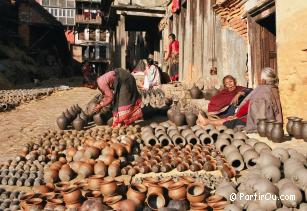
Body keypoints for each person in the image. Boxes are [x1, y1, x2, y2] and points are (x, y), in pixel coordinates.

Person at [197, 67, 283, 132]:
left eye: (231, 81)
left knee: (233, 121)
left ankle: (207, 122)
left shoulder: (261, 90)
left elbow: (249, 101)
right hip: (265, 118)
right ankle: (209, 121)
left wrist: (237, 114)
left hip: (260, 120)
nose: (230, 84)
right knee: (232, 118)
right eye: (227, 83)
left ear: (263, 80)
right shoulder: (273, 89)